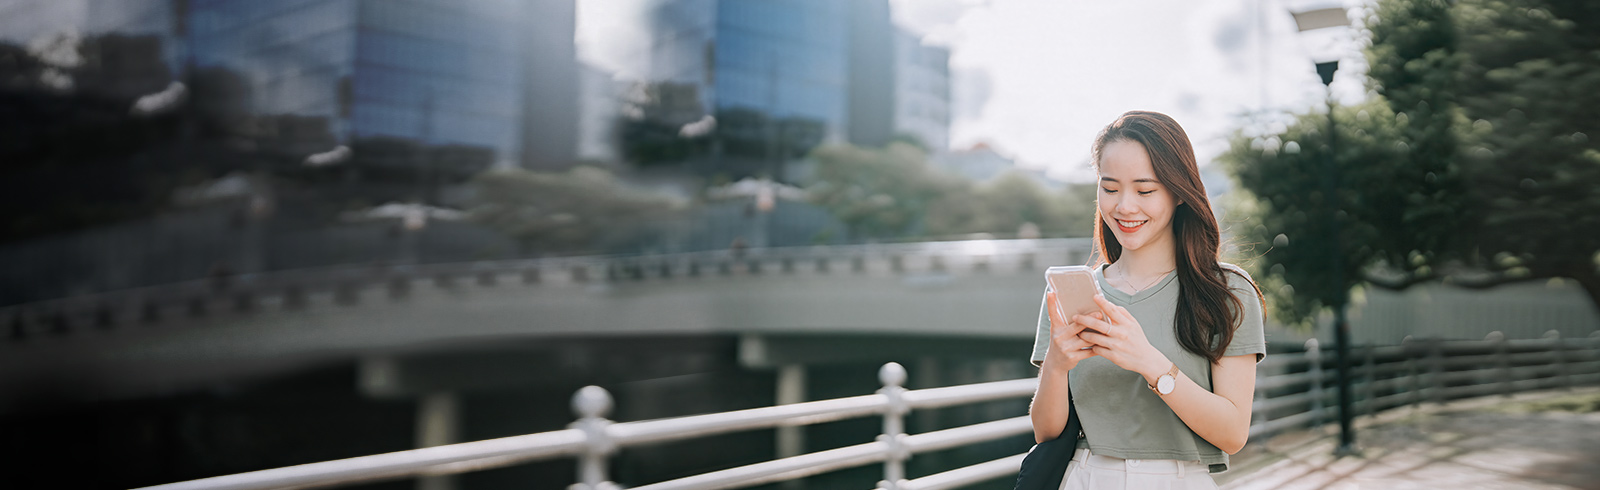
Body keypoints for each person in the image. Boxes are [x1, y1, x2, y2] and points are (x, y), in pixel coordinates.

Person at [1028, 111, 1267, 489]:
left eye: (1145, 190)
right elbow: (1046, 431)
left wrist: (1149, 362)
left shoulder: (1226, 293)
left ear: (1179, 192)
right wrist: (1056, 366)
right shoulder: (1068, 293)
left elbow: (1233, 434)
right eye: (1109, 189)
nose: (1124, 207)